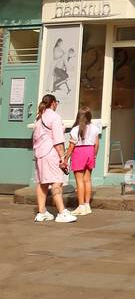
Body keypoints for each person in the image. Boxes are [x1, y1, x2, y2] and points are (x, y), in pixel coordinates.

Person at [32, 93, 76, 224]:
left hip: (40, 154)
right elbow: (58, 140)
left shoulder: (39, 117)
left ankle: (42, 212)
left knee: (42, 183)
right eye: (57, 102)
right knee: (57, 181)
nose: (57, 104)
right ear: (53, 103)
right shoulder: (55, 117)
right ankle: (62, 212)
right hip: (51, 153)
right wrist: (63, 157)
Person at [66, 108, 102, 216]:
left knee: (79, 181)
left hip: (79, 152)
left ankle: (81, 206)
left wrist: (66, 158)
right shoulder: (95, 128)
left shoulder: (75, 130)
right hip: (90, 151)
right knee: (87, 180)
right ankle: (87, 205)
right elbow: (97, 144)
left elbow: (71, 146)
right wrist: (94, 155)